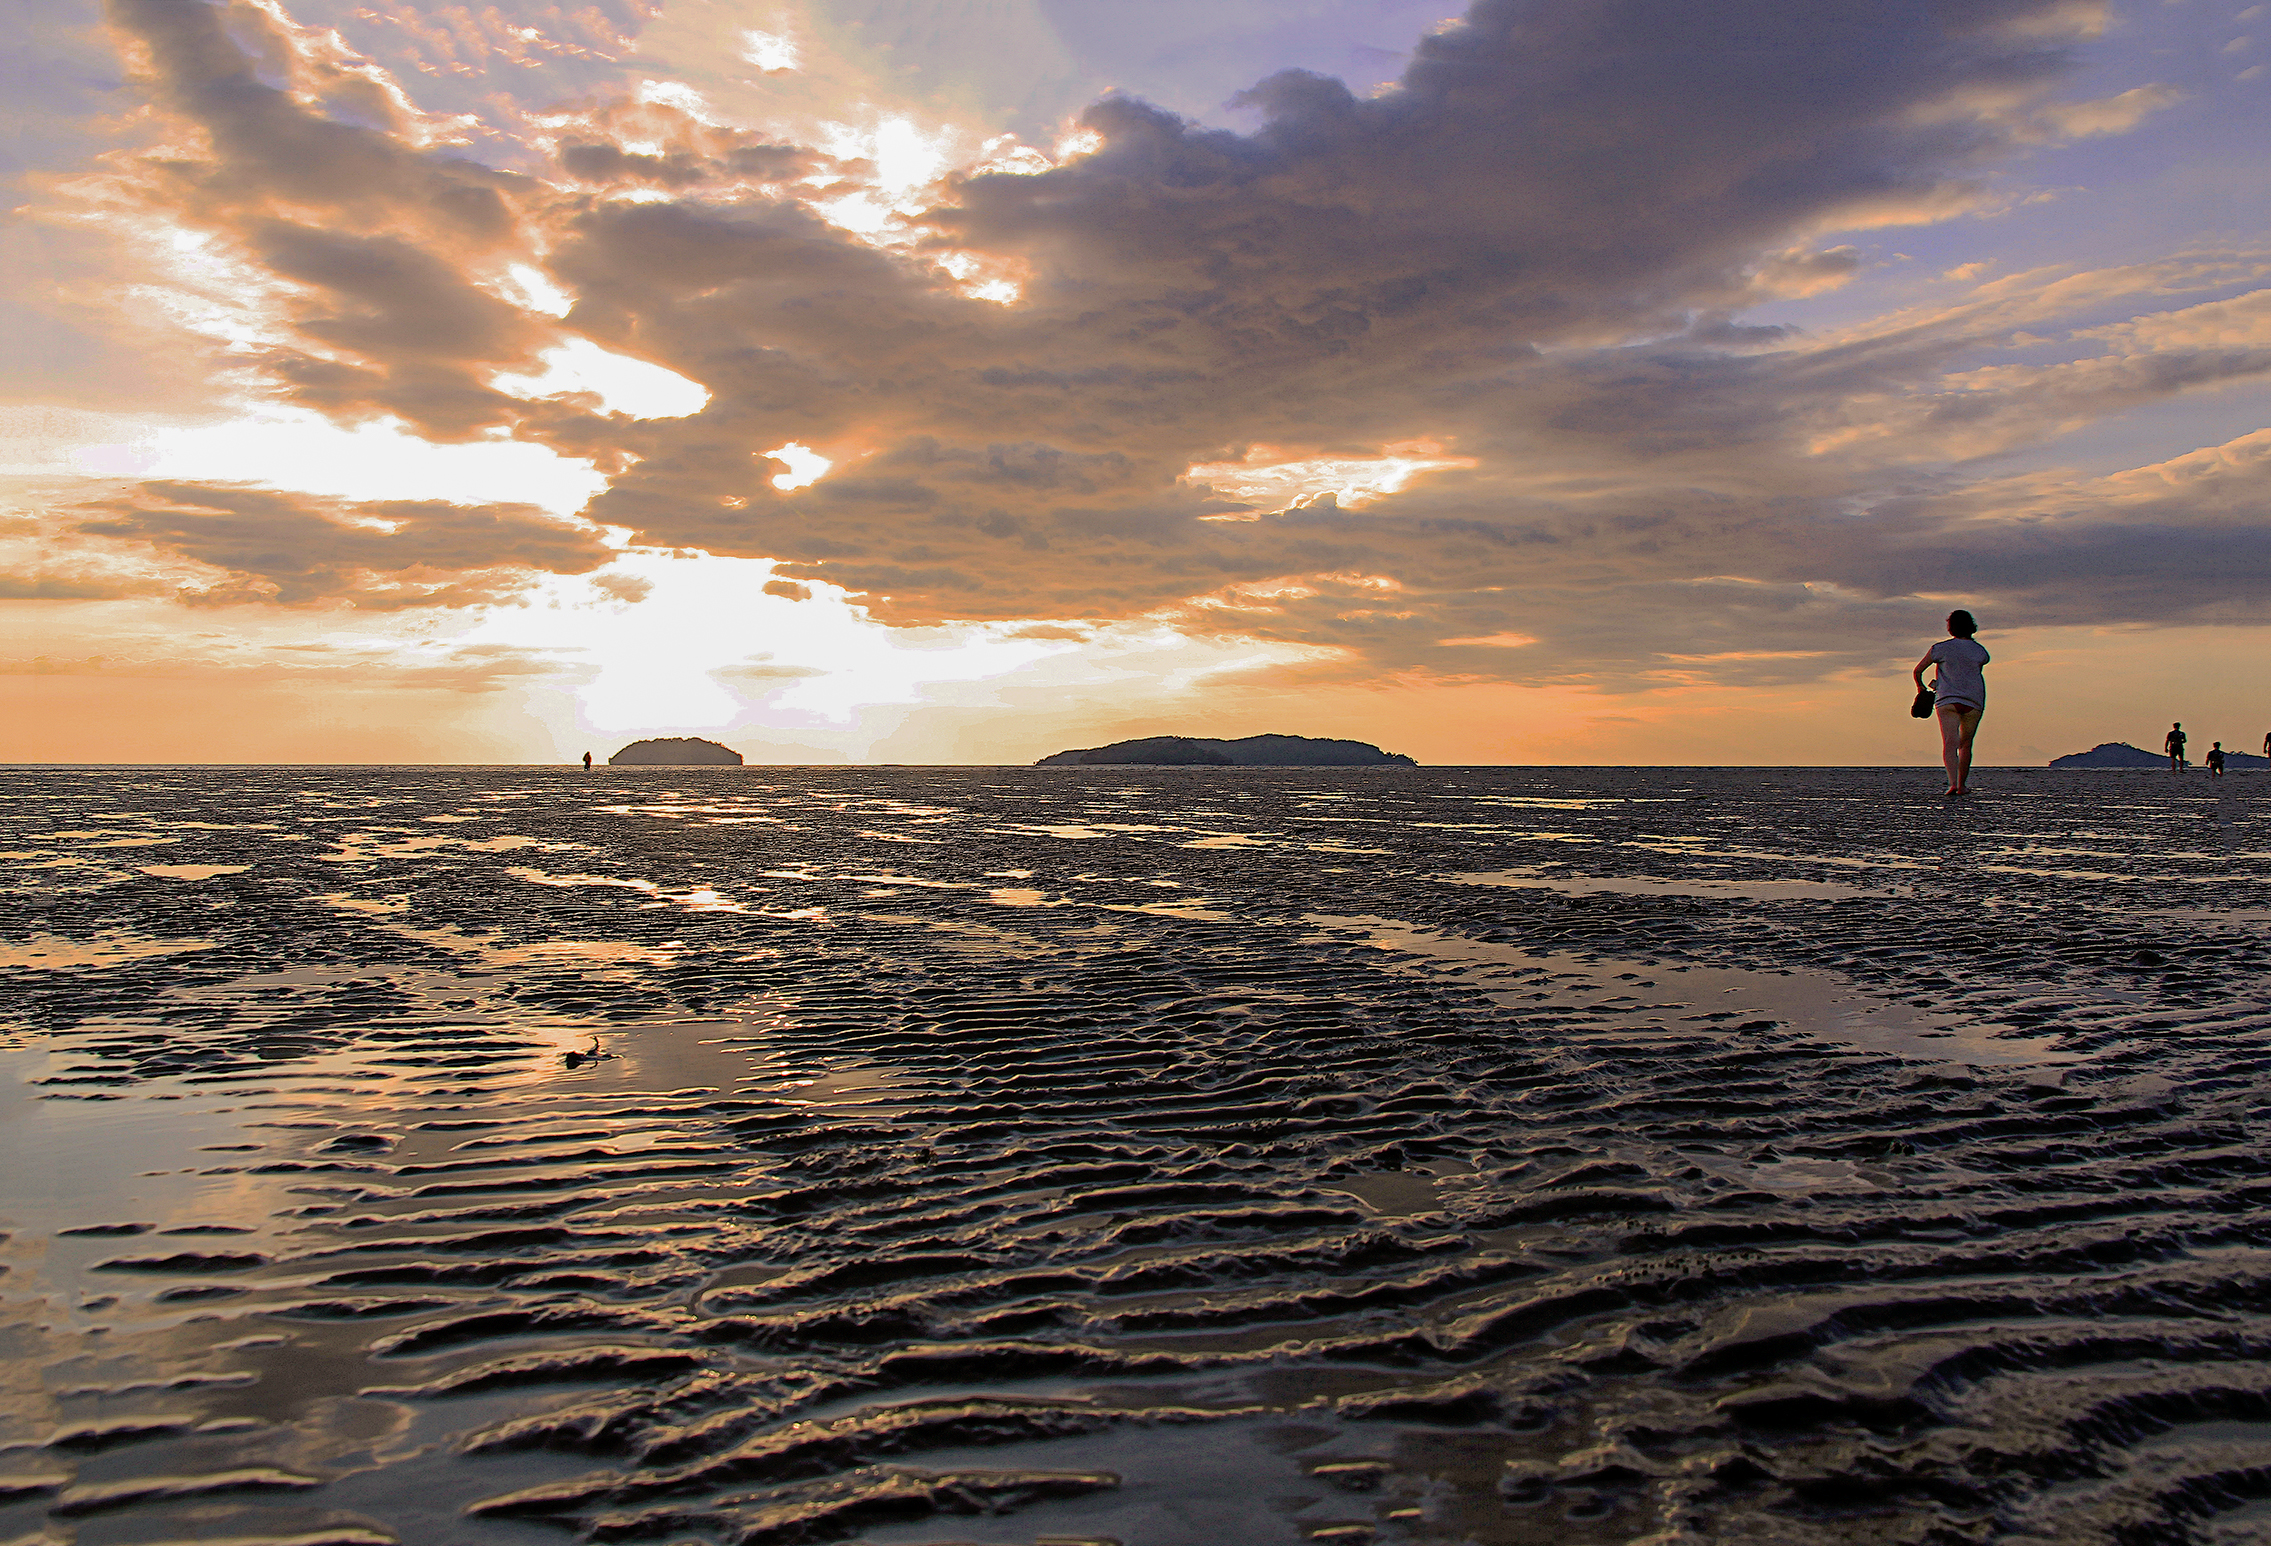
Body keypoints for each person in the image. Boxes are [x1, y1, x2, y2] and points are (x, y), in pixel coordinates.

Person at [1913, 609, 1989, 797]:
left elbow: (1917, 671)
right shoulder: (1980, 651)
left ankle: (1953, 784)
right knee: (1966, 744)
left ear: (1950, 627)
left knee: (1950, 743)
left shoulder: (1940, 649)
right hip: (1974, 700)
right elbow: (1979, 664)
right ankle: (1962, 785)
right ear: (1971, 626)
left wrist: (1921, 689)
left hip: (1947, 700)